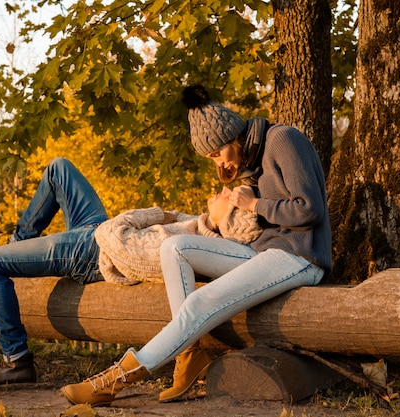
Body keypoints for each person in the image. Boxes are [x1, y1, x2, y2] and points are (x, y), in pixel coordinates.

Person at [60, 84, 332, 406]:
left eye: (217, 153)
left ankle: (113, 380)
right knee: (173, 248)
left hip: (299, 257)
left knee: (201, 302)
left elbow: (309, 209)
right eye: (210, 158)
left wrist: (254, 204)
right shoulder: (252, 162)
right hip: (264, 252)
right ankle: (189, 356)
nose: (218, 163)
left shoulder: (283, 140)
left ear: (233, 138)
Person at [0, 157, 261, 387]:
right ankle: (17, 245)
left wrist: (140, 217)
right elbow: (141, 223)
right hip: (96, 232)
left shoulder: (188, 245)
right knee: (59, 168)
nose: (224, 189)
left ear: (231, 218)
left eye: (230, 196)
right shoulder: (197, 222)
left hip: (89, 253)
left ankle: (17, 361)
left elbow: (124, 247)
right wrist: (139, 219)